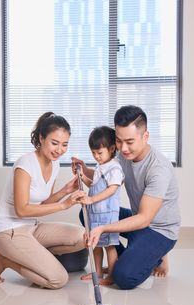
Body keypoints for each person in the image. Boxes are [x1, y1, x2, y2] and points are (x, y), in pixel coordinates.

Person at [73, 105, 180, 290]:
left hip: (159, 229)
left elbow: (145, 218)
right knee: (88, 215)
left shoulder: (158, 169)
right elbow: (108, 178)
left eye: (130, 141)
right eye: (119, 141)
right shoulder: (124, 155)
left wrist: (103, 228)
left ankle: (156, 253)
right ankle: (134, 254)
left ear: (145, 136)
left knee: (124, 278)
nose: (123, 148)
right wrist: (84, 169)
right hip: (138, 219)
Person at [0, 112, 84, 289]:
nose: (59, 150)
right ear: (41, 138)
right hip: (9, 232)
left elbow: (44, 203)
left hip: (32, 228)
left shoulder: (54, 163)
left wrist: (66, 190)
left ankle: (36, 255)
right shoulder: (25, 164)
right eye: (54, 143)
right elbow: (22, 210)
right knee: (58, 280)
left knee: (84, 236)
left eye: (64, 145)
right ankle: (4, 260)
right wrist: (64, 204)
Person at [76, 126, 124, 285]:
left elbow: (112, 189)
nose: (96, 156)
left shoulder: (114, 167)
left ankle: (111, 275)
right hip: (95, 214)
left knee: (110, 246)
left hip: (107, 215)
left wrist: (91, 200)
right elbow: (94, 185)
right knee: (95, 245)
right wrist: (82, 176)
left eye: (99, 153)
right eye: (93, 153)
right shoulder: (100, 166)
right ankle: (97, 272)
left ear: (111, 149)